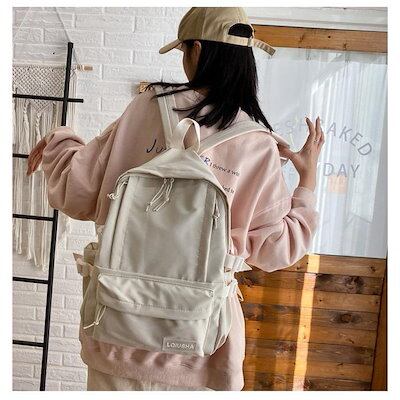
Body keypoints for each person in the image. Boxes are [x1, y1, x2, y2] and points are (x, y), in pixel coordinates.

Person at [26, 7, 324, 391]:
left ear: (196, 50)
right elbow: (275, 250)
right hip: (201, 340)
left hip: (118, 328)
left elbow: (77, 193)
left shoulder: (146, 107)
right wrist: (307, 181)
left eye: (183, 51)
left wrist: (60, 141)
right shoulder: (257, 143)